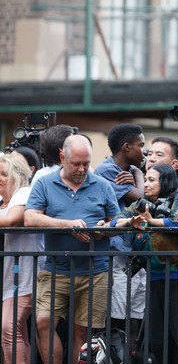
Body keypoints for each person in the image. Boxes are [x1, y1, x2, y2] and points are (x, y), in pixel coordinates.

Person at [24, 135, 119, 364]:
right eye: (76, 163)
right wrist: (67, 225)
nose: (82, 169)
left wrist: (103, 230)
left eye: (86, 163)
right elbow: (30, 218)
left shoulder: (102, 185)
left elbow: (117, 223)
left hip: (95, 270)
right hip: (56, 268)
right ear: (62, 157)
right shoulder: (45, 183)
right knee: (42, 323)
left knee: (82, 334)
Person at [109, 163, 178, 363]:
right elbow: (113, 223)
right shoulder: (139, 204)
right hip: (155, 276)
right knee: (159, 339)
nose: (146, 184)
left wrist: (151, 221)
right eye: (146, 179)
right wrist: (129, 222)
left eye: (152, 180)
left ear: (165, 182)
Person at [94, 123, 146, 341]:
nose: (144, 151)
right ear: (126, 147)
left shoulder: (126, 171)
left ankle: (129, 354)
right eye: (140, 145)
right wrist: (139, 175)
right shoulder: (107, 170)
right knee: (117, 315)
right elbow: (141, 198)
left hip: (131, 251)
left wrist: (135, 175)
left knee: (134, 313)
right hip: (114, 252)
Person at [1, 153, 43, 364]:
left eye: (4, 174)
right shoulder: (4, 200)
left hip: (26, 273)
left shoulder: (25, 193)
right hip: (11, 275)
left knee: (9, 328)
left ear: (18, 177)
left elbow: (11, 220)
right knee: (16, 332)